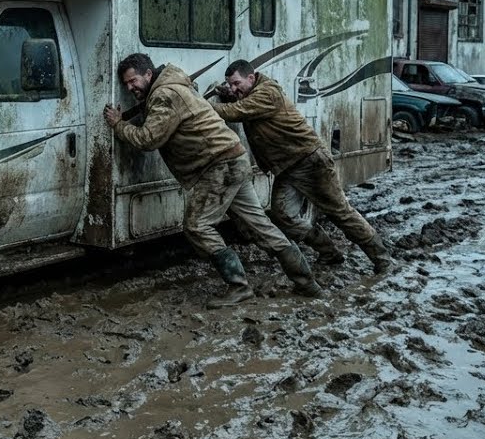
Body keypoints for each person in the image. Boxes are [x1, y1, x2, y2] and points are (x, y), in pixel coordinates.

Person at [103, 53, 322, 307]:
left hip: (219, 165)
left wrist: (118, 125)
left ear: (149, 74)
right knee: (260, 226)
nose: (130, 87)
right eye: (126, 84)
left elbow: (148, 139)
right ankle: (307, 282)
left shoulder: (164, 94)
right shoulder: (177, 84)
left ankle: (239, 286)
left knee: (197, 226)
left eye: (133, 81)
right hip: (233, 158)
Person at [210, 59, 393, 274]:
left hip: (310, 161)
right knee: (283, 216)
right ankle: (329, 252)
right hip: (288, 167)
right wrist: (230, 94)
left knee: (340, 213)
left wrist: (200, 105)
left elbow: (236, 112)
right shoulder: (253, 93)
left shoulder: (268, 93)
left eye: (236, 83)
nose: (234, 88)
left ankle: (382, 259)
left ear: (251, 78)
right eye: (230, 85)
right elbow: (242, 103)